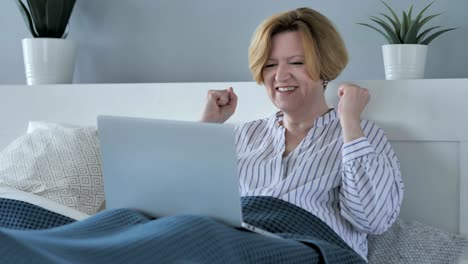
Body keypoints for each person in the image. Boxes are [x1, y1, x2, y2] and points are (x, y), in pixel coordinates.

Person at [201, 7, 404, 261]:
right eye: (270, 64)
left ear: (324, 66)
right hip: (236, 244)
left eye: (297, 62)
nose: (281, 75)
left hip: (315, 251)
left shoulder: (362, 135)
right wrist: (206, 128)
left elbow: (374, 219)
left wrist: (350, 121)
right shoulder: (242, 135)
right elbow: (182, 205)